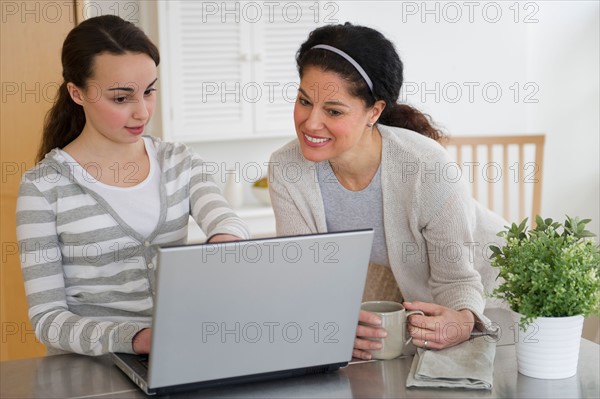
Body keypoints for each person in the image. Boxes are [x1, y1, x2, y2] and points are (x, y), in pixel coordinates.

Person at [268, 23, 506, 359]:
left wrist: (465, 319)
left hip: (497, 283)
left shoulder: (425, 165)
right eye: (304, 101)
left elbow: (457, 281)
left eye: (333, 111)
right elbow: (305, 279)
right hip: (434, 302)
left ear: (374, 112)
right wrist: (330, 324)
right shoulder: (287, 169)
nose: (310, 122)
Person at [16, 15, 249, 356]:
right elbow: (47, 319)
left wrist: (224, 242)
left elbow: (228, 222)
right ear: (77, 93)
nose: (142, 112)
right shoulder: (43, 188)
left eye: (149, 91)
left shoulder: (178, 162)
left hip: (177, 355)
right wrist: (138, 338)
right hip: (92, 371)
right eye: (122, 98)